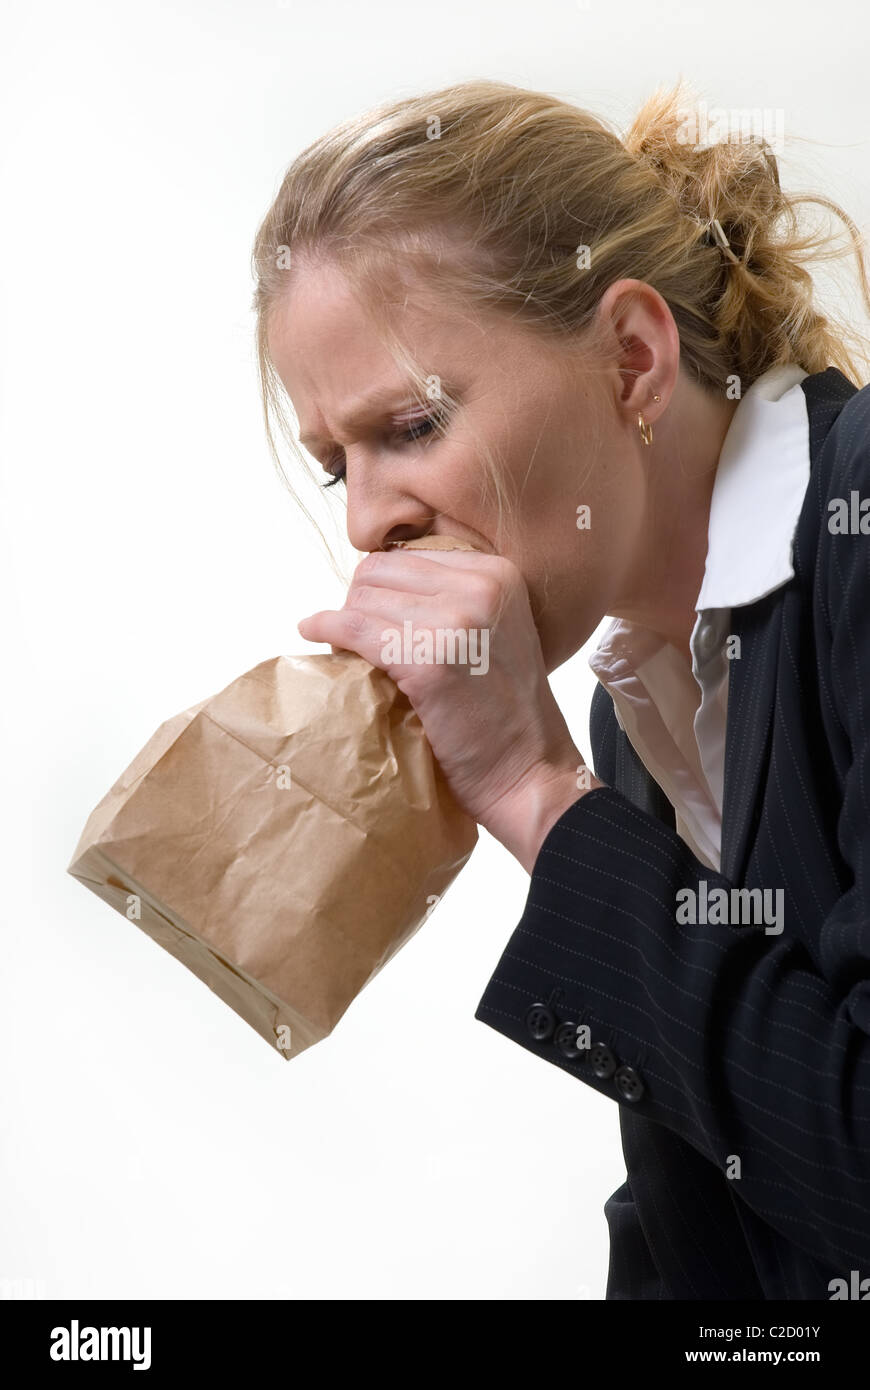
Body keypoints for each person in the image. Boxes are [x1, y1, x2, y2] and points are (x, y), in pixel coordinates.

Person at [250, 78, 870, 1299]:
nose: (371, 519)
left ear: (633, 359)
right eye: (337, 469)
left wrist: (537, 796)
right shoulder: (633, 710)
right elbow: (716, 1223)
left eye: (414, 423)